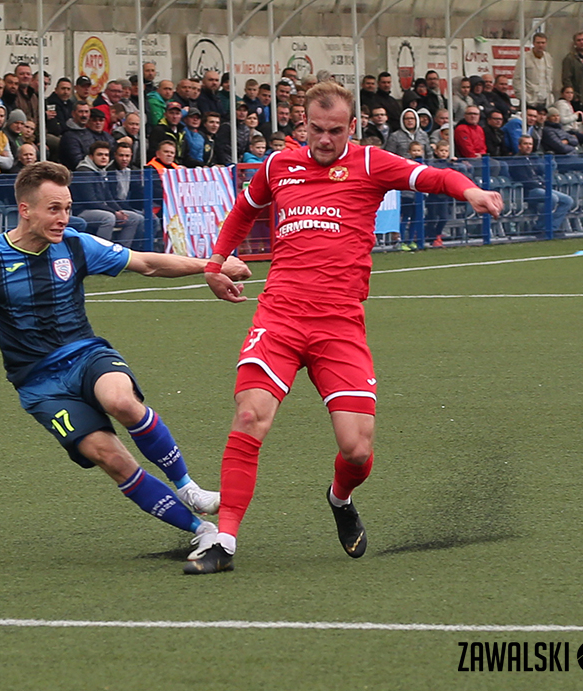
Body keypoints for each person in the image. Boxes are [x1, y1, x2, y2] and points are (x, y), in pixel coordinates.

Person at [184, 81, 503, 575]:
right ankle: (224, 541)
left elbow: (433, 176)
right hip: (280, 316)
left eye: (335, 131)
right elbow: (245, 209)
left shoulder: (371, 163)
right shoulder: (277, 166)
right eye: (317, 129)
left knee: (356, 448)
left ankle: (339, 498)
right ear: (303, 124)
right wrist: (214, 264)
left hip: (339, 325)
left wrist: (471, 191)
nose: (325, 139)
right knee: (249, 416)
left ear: (352, 127)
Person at [0, 161, 253, 562]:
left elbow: (148, 263)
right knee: (111, 458)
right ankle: (201, 531)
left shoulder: (75, 244)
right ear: (25, 209)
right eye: (54, 209)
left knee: (121, 401)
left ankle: (188, 487)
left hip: (86, 355)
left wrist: (213, 265)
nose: (63, 218)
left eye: (67, 208)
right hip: (39, 385)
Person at [73, 140, 143, 248]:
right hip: (82, 211)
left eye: (106, 155)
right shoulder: (83, 172)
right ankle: (102, 252)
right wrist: (114, 212)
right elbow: (91, 202)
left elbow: (109, 198)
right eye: (100, 154)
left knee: (135, 218)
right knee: (108, 218)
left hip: (100, 208)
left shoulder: (102, 172)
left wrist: (119, 211)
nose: (104, 158)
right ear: (91, 157)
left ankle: (122, 251)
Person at [508, 135, 574, 233]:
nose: (528, 146)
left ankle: (553, 227)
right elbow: (524, 180)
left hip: (540, 188)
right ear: (519, 146)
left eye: (530, 144)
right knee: (552, 198)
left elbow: (541, 171)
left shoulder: (533, 158)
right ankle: (540, 227)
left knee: (568, 200)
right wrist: (540, 185)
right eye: (525, 144)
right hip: (529, 191)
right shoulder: (516, 161)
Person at [514, 32, 554, 108]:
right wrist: (524, 96)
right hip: (530, 99)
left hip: (545, 100)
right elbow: (517, 79)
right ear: (533, 43)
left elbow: (550, 78)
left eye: (543, 43)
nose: (540, 45)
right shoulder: (524, 57)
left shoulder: (548, 57)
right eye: (538, 42)